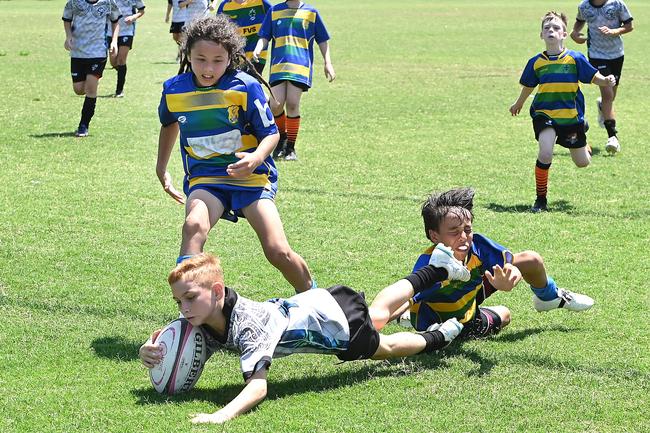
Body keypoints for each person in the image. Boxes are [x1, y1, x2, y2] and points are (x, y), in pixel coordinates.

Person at [139, 250, 468, 424]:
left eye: (190, 298)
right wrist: (149, 353)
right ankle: (438, 274)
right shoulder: (205, 315)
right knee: (380, 313)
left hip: (334, 326)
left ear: (217, 291)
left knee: (387, 344)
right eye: (178, 301)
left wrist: (221, 415)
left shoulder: (249, 325)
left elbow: (258, 387)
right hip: (313, 305)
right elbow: (179, 345)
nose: (183, 309)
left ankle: (442, 330)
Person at [156, 15, 314, 293]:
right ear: (187, 54)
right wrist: (161, 167)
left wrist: (255, 158)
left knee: (277, 250)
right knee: (193, 226)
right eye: (200, 59)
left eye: (218, 60)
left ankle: (315, 298)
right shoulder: (173, 90)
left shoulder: (244, 87)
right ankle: (189, 313)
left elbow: (271, 134)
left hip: (252, 179)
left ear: (230, 57)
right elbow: (169, 123)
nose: (208, 68)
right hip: (206, 178)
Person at [370, 188, 595, 338]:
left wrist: (509, 275)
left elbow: (506, 257)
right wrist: (376, 324)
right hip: (443, 326)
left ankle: (549, 297)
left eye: (467, 229)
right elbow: (408, 298)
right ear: (435, 236)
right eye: (454, 232)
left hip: (470, 304)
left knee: (531, 260)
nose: (463, 237)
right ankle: (410, 322)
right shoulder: (430, 265)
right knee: (503, 314)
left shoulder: (477, 245)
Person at [509, 11, 616, 212]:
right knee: (546, 152)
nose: (551, 30)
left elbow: (593, 77)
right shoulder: (536, 62)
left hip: (570, 118)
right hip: (545, 115)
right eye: (547, 28)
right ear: (541, 35)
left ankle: (586, 145)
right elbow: (528, 86)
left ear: (564, 34)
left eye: (556, 28)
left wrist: (606, 80)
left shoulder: (574, 58)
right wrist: (519, 103)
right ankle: (541, 199)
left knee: (582, 163)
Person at [252, 0, 335, 161]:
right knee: (275, 105)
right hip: (278, 66)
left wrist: (328, 62)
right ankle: (281, 139)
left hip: (300, 67)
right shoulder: (275, 11)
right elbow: (264, 36)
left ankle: (290, 147)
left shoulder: (311, 13)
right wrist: (258, 48)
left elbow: (322, 39)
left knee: (292, 103)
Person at [570, 0, 634, 155]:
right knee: (607, 94)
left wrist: (615, 31)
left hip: (617, 54)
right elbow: (579, 22)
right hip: (596, 55)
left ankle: (602, 108)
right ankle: (612, 136)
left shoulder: (617, 4)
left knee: (610, 97)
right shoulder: (583, 6)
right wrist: (575, 33)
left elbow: (629, 26)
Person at [62, 0, 121, 137]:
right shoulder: (74, 2)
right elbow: (67, 18)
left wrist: (114, 41)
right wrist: (68, 36)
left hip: (98, 53)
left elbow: (116, 20)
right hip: (78, 52)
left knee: (90, 88)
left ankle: (83, 126)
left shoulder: (108, 3)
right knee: (78, 89)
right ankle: (89, 85)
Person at [216, 0, 273, 75]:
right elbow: (218, 31)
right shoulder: (224, 6)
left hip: (257, 56)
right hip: (235, 58)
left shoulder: (261, 2)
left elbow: (274, 16)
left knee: (252, 82)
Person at [106, 0, 146, 98]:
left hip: (126, 31)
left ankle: (119, 90)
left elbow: (141, 11)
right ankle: (121, 72)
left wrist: (133, 17)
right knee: (113, 61)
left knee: (121, 60)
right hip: (111, 31)